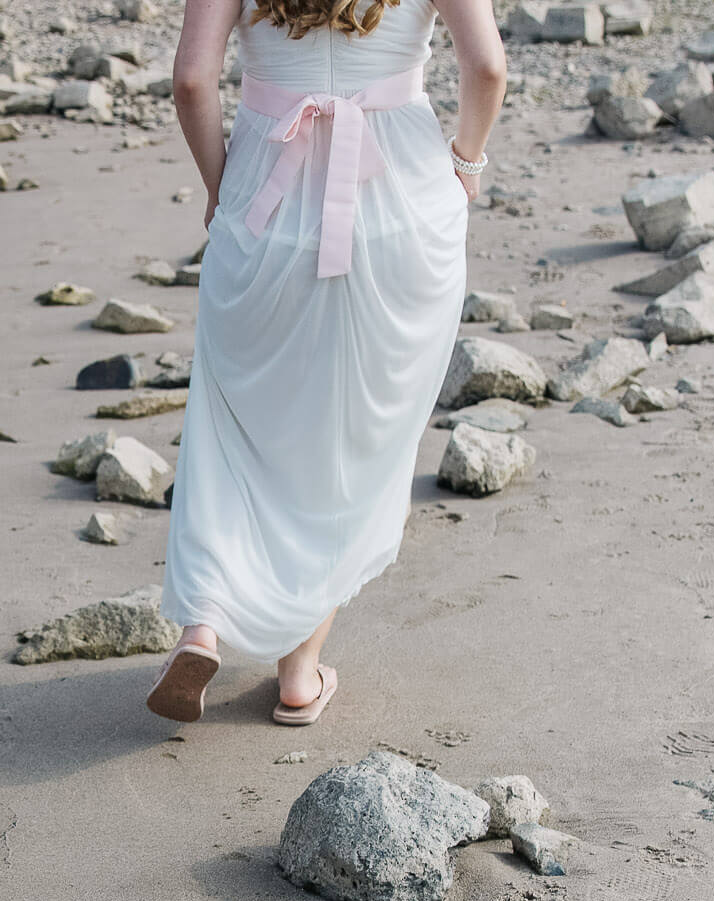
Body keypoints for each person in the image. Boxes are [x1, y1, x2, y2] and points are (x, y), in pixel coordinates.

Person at [148, 0, 505, 726]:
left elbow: (191, 80)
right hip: (398, 206)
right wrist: (466, 162)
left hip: (266, 204)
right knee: (352, 444)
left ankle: (204, 624)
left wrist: (220, 184)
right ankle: (299, 676)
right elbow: (487, 66)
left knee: (234, 433)